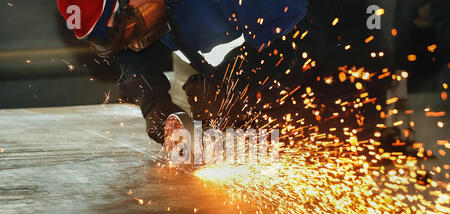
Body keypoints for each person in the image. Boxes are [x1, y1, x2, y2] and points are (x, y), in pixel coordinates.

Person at [57, 0, 391, 145]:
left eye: (130, 27)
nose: (133, 40)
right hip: (272, 74)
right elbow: (134, 56)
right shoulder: (141, 17)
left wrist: (229, 89)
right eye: (120, 38)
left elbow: (303, 48)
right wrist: (156, 105)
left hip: (337, 62)